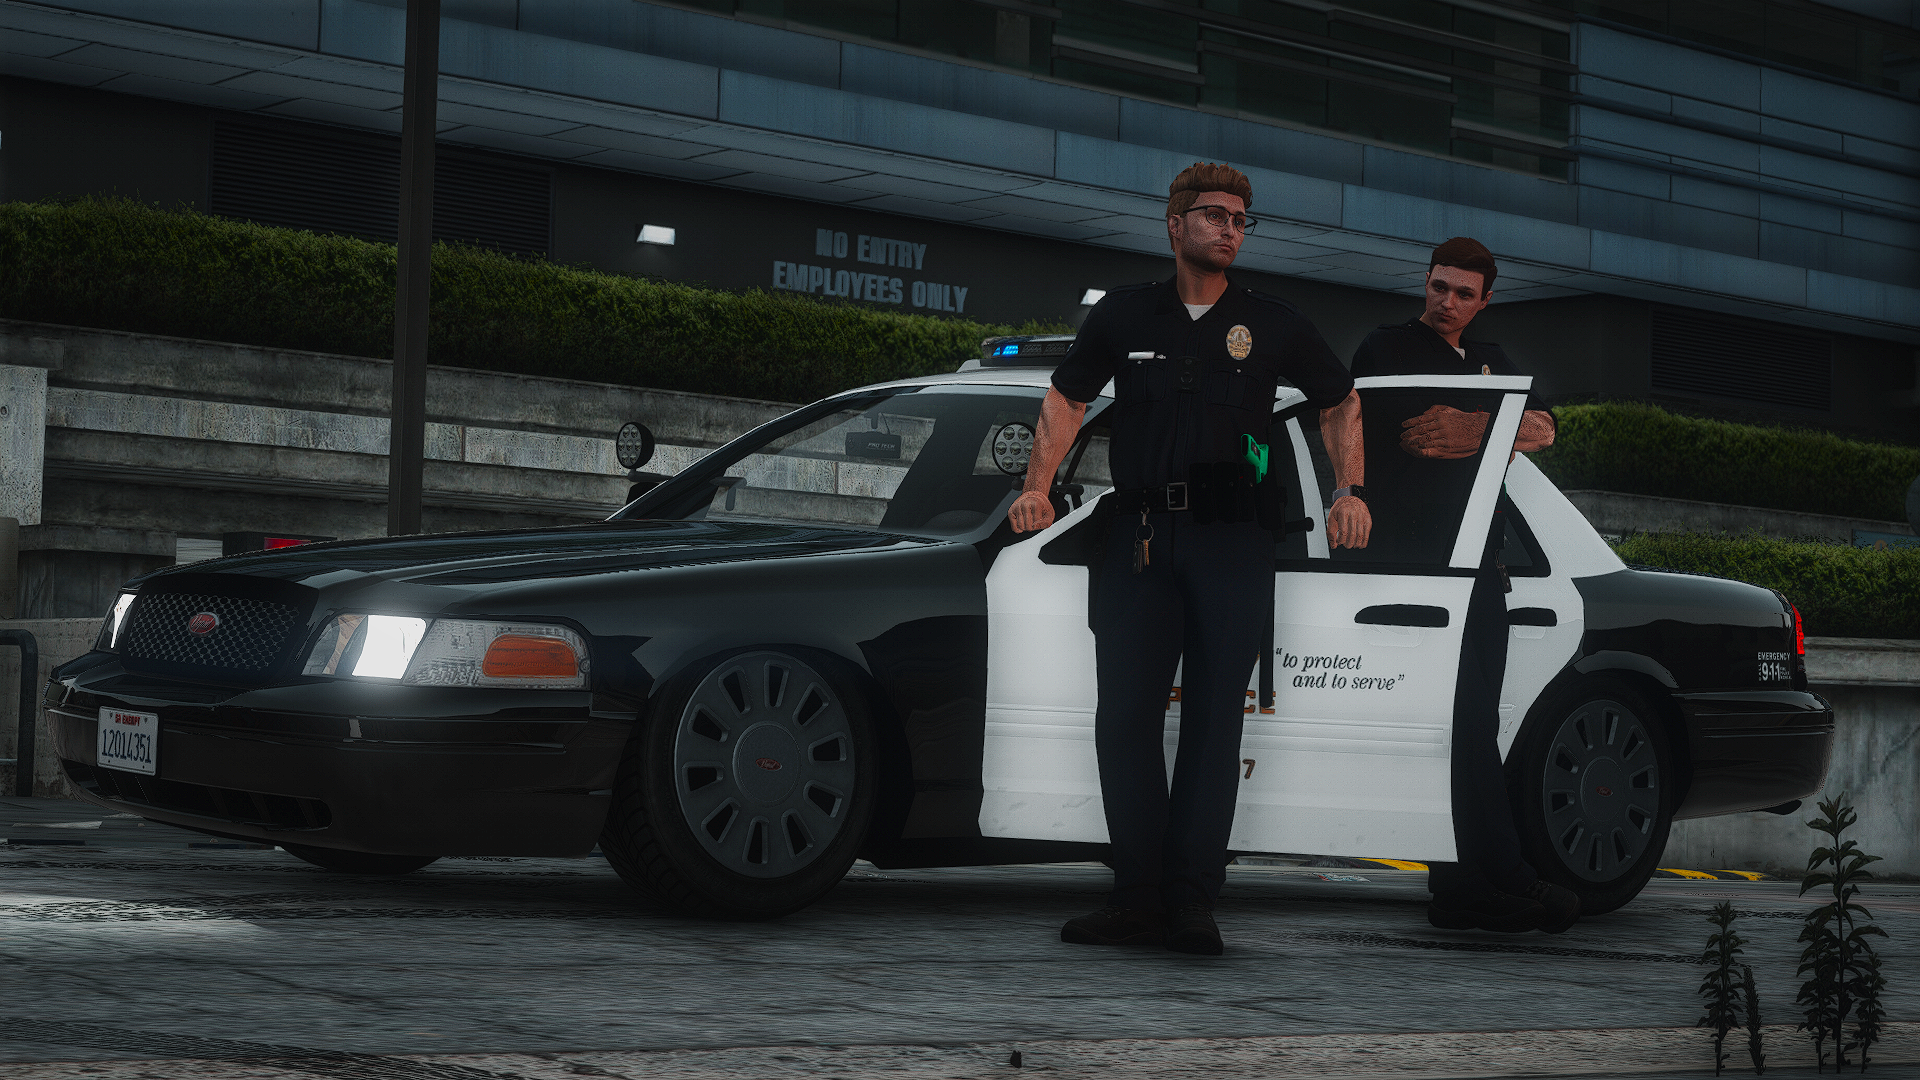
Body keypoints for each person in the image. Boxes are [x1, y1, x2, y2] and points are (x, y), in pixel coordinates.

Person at [1010, 163, 1371, 956]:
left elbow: (1340, 401)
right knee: (1125, 721)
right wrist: (1035, 488)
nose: (1231, 229)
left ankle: (1191, 903)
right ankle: (1135, 898)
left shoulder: (1272, 322)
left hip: (1233, 544)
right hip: (1139, 539)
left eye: (1243, 219)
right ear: (1174, 225)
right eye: (1214, 215)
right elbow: (1066, 398)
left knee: (1213, 723)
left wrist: (1351, 489)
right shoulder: (1125, 315)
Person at [1349, 236, 1581, 935]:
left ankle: (1465, 890)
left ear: (1485, 300)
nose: (1447, 302)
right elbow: (1388, 430)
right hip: (1416, 568)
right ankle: (1498, 878)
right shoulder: (1386, 349)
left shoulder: (1493, 361)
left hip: (1484, 569)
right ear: (1425, 282)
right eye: (1439, 286)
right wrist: (1494, 427)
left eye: (1462, 293)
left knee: (1476, 728)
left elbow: (1545, 425)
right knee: (1459, 727)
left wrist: (1476, 427)